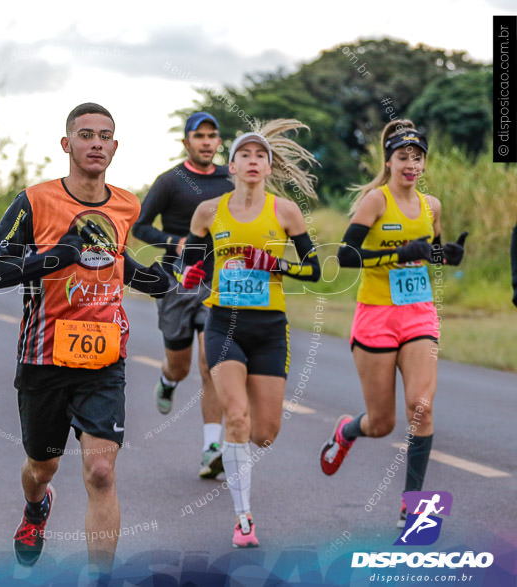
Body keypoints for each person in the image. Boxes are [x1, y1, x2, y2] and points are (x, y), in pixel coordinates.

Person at [0, 103, 167, 575]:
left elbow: (117, 263)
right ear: (67, 144)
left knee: (102, 473)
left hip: (105, 358)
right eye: (86, 135)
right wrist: (53, 258)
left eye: (105, 136)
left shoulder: (126, 204)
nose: (97, 143)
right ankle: (36, 507)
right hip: (44, 357)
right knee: (41, 469)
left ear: (116, 147)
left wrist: (162, 281)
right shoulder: (35, 201)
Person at [177, 119, 321, 547]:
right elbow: (190, 267)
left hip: (270, 330)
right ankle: (244, 519)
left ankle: (235, 450)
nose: (253, 161)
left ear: (270, 167)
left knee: (264, 432)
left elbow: (314, 270)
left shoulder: (285, 212)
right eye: (245, 154)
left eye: (261, 155)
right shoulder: (209, 212)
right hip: (224, 324)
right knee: (236, 416)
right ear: (232, 166)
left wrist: (276, 265)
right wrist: (189, 274)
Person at [319, 120, 467, 529]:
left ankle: (413, 503)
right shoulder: (375, 202)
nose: (411, 164)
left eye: (418, 158)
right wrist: (398, 256)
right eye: (403, 157)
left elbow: (429, 250)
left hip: (418, 313)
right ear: (389, 161)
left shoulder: (431, 205)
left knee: (421, 407)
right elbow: (346, 257)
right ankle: (348, 431)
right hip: (377, 315)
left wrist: (447, 254)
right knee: (381, 423)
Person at [132, 111, 234, 479]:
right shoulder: (170, 181)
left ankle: (211, 449)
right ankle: (168, 379)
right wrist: (173, 242)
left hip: (218, 283)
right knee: (182, 364)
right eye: (199, 136)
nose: (206, 142)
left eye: (212, 135)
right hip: (177, 283)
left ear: (219, 142)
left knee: (212, 365)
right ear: (186, 142)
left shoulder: (231, 179)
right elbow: (139, 225)